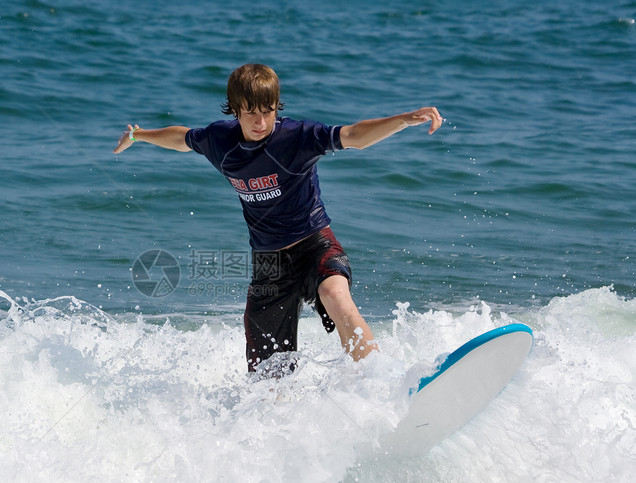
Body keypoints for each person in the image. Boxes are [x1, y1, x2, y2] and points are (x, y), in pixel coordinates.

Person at [114, 63, 442, 375]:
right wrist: (137, 135)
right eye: (251, 113)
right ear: (235, 110)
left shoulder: (297, 138)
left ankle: (380, 381)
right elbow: (181, 138)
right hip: (269, 266)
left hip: (316, 245)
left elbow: (354, 135)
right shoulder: (220, 142)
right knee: (269, 379)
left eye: (268, 111)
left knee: (334, 295)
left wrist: (404, 119)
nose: (261, 122)